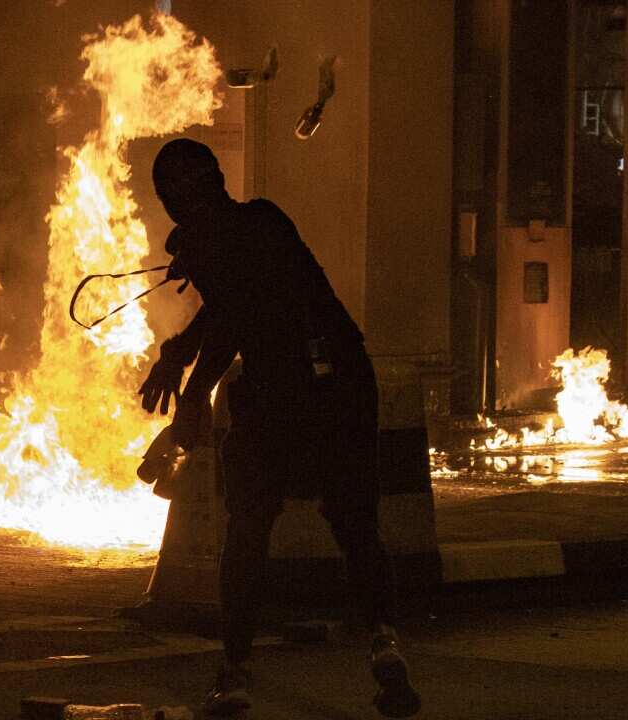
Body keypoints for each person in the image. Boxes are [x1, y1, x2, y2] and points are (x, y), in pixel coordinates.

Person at [138, 138, 421, 718]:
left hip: (289, 388)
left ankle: (235, 670)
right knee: (354, 519)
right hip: (340, 376)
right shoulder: (260, 223)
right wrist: (178, 354)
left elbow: (236, 312)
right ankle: (384, 642)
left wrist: (191, 389)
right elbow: (226, 307)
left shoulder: (233, 237)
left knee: (247, 528)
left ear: (172, 202)